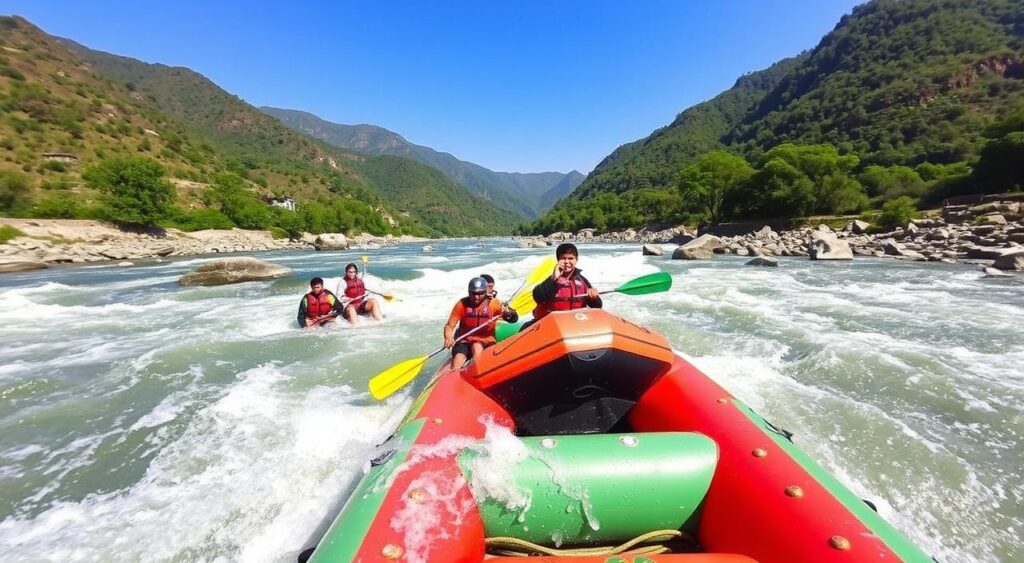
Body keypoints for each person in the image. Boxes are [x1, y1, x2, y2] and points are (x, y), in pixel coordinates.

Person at [443, 277, 519, 369]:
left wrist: (508, 312)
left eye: (480, 293)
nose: (476, 297)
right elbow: (449, 326)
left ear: (485, 292)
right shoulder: (461, 304)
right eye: (473, 293)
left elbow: (513, 319)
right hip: (464, 341)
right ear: (468, 291)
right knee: (458, 360)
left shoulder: (494, 304)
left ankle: (478, 371)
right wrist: (448, 337)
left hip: (487, 340)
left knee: (477, 347)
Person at [525, 243, 601, 328]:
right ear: (558, 260)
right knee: (524, 328)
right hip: (550, 325)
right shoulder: (550, 279)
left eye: (571, 258)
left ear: (576, 259)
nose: (567, 262)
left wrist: (594, 298)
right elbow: (538, 297)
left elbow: (597, 306)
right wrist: (554, 279)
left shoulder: (583, 281)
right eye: (563, 258)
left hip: (575, 324)